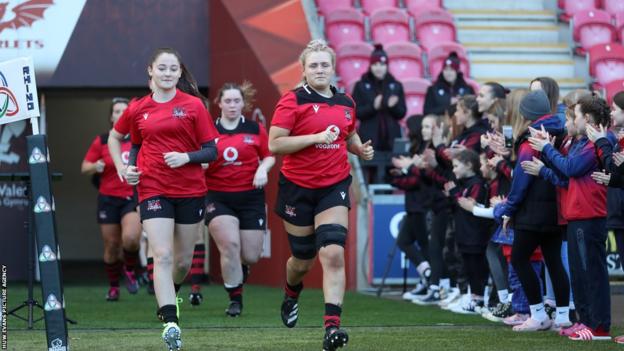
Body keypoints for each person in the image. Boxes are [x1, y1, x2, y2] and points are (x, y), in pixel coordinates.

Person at [108, 48, 219, 351]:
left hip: (190, 189)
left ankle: (172, 292)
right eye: (163, 68)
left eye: (174, 69)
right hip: (153, 188)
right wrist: (124, 168)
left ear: (179, 74)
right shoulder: (138, 108)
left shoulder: (195, 106)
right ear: (151, 71)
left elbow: (212, 150)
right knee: (162, 254)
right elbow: (119, 139)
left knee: (181, 262)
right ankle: (170, 321)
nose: (168, 73)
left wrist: (186, 157)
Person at [269, 39, 374, 351]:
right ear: (303, 70)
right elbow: (275, 144)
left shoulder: (346, 101)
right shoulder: (292, 101)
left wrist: (359, 148)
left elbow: (349, 132)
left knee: (332, 253)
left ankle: (332, 328)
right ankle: (291, 293)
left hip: (334, 185)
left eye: (324, 64)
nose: (319, 69)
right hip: (298, 189)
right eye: (313, 65)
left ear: (333, 68)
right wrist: (315, 137)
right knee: (302, 260)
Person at [532, 94, 612, 340]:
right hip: (578, 215)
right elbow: (567, 175)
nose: (571, 121)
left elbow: (571, 168)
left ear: (586, 118)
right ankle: (586, 321)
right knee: (580, 274)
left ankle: (598, 326)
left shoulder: (596, 142)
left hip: (590, 216)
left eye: (574, 116)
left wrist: (546, 148)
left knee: (592, 274)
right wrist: (547, 155)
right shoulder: (583, 142)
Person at [493, 90, 570, 332]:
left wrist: (508, 209)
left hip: (533, 210)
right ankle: (563, 315)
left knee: (518, 258)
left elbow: (522, 179)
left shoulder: (531, 138)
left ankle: (537, 313)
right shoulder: (560, 130)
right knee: (554, 261)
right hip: (556, 209)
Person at [204, 81, 275, 316]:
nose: (232, 105)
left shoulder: (255, 129)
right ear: (219, 103)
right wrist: (201, 164)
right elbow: (200, 159)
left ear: (243, 104)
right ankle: (235, 299)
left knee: (250, 255)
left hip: (251, 197)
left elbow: (269, 156)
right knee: (230, 245)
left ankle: (240, 269)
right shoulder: (208, 131)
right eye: (228, 101)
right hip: (218, 197)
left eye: (237, 101)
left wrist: (263, 169)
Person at [81, 97, 142, 301]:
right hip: (108, 198)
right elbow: (84, 167)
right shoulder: (102, 140)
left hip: (132, 197)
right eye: (117, 111)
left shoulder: (138, 139)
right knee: (111, 246)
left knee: (132, 239)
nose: (120, 114)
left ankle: (130, 270)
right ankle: (114, 286)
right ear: (111, 116)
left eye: (124, 111)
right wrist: (95, 166)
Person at [352, 44, 406, 152]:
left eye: (382, 64)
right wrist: (373, 107)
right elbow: (355, 113)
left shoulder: (396, 85)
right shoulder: (361, 85)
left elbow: (402, 113)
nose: (378, 68)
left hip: (392, 139)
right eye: (375, 64)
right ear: (370, 66)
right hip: (369, 138)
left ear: (387, 66)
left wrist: (392, 107)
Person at [423, 52, 474, 116]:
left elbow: (474, 110)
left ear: (457, 71)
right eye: (446, 70)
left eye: (451, 70)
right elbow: (427, 112)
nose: (448, 73)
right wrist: (449, 104)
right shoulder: (433, 89)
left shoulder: (468, 89)